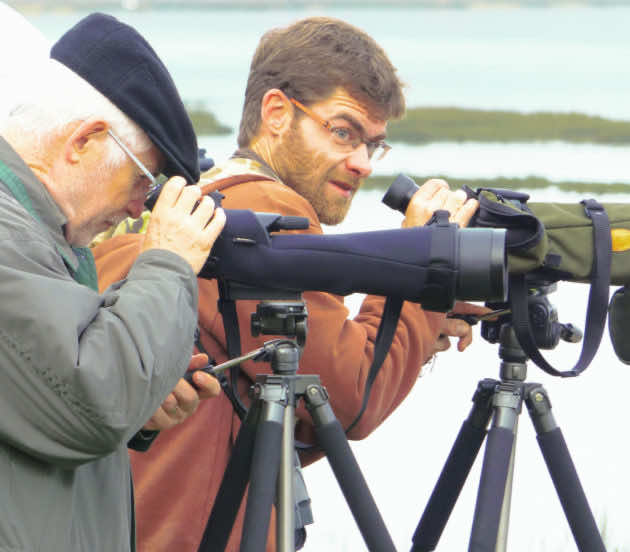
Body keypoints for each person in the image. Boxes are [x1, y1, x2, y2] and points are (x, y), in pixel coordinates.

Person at [93, 16, 488, 551]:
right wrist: (421, 268)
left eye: (374, 145)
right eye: (344, 131)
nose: (362, 163)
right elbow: (350, 400)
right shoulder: (265, 211)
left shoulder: (200, 200)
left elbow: (286, 416)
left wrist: (416, 326)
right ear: (276, 112)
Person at [0, 13, 225, 552]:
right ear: (84, 140)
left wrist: (139, 407)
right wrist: (168, 261)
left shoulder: (44, 236)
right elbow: (88, 401)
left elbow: (37, 400)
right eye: (143, 183)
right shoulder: (10, 237)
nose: (134, 209)